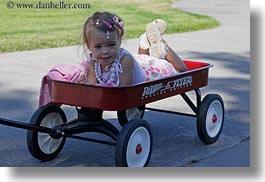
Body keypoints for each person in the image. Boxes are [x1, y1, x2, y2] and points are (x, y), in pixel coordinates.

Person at [81, 11, 187, 86]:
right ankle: (144, 43)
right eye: (98, 46)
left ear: (119, 42)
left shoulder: (125, 60)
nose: (105, 51)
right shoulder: (93, 62)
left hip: (152, 71)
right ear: (88, 45)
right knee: (142, 59)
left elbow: (124, 89)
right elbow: (93, 87)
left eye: (111, 45)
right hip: (140, 63)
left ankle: (165, 49)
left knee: (181, 71)